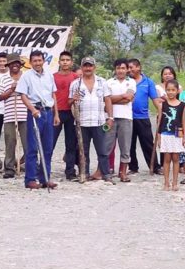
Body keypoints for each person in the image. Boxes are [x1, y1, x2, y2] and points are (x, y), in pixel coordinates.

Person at [17, 50, 60, 189]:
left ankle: (45, 178)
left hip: (48, 112)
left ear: (43, 61)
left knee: (48, 148)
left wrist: (56, 114)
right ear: (30, 62)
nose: (37, 63)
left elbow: (53, 94)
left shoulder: (49, 76)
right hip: (35, 112)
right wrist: (32, 109)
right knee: (33, 148)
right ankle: (30, 179)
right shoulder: (26, 77)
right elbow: (23, 95)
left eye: (39, 60)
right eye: (34, 61)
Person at [69, 57, 114, 183]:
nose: (88, 68)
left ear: (94, 67)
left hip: (99, 121)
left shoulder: (102, 82)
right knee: (84, 150)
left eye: (90, 66)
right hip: (82, 122)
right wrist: (73, 99)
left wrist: (110, 118)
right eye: (85, 66)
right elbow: (69, 102)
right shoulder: (75, 84)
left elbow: (108, 100)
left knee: (102, 150)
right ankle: (85, 173)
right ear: (82, 67)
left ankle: (106, 174)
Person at [0, 53, 27, 179]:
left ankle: (30, 167)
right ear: (8, 65)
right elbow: (0, 97)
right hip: (9, 115)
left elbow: (32, 95)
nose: (15, 65)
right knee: (10, 142)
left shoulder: (26, 78)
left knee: (27, 143)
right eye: (12, 63)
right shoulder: (4, 79)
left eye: (17, 63)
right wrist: (11, 89)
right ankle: (9, 169)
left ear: (20, 65)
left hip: (25, 115)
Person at [128, 59, 162, 174]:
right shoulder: (126, 81)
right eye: (128, 67)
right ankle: (133, 167)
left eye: (132, 67)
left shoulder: (148, 82)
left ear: (138, 67)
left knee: (148, 143)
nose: (129, 70)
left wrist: (161, 111)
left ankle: (155, 166)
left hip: (143, 118)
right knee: (129, 144)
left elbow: (155, 99)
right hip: (128, 117)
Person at [105, 58, 135, 182]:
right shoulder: (109, 82)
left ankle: (122, 172)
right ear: (115, 69)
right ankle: (105, 170)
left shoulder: (131, 82)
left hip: (126, 117)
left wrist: (112, 99)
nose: (120, 70)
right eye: (118, 68)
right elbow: (105, 99)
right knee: (107, 145)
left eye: (123, 68)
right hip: (110, 117)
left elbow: (128, 98)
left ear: (127, 69)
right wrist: (121, 97)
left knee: (125, 146)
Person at [53, 51, 79, 180]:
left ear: (71, 62)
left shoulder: (75, 77)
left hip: (71, 113)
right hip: (56, 112)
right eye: (62, 60)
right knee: (50, 142)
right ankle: (44, 169)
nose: (65, 62)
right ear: (59, 62)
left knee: (71, 143)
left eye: (67, 60)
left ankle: (70, 171)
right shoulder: (52, 77)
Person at [156, 80, 185, 191]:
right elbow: (159, 122)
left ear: (177, 91)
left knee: (176, 158)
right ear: (165, 90)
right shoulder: (162, 105)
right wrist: (159, 138)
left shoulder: (182, 105)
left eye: (173, 90)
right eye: (168, 90)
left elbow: (183, 121)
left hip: (178, 134)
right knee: (167, 159)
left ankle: (175, 183)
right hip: (165, 134)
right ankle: (166, 183)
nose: (171, 92)